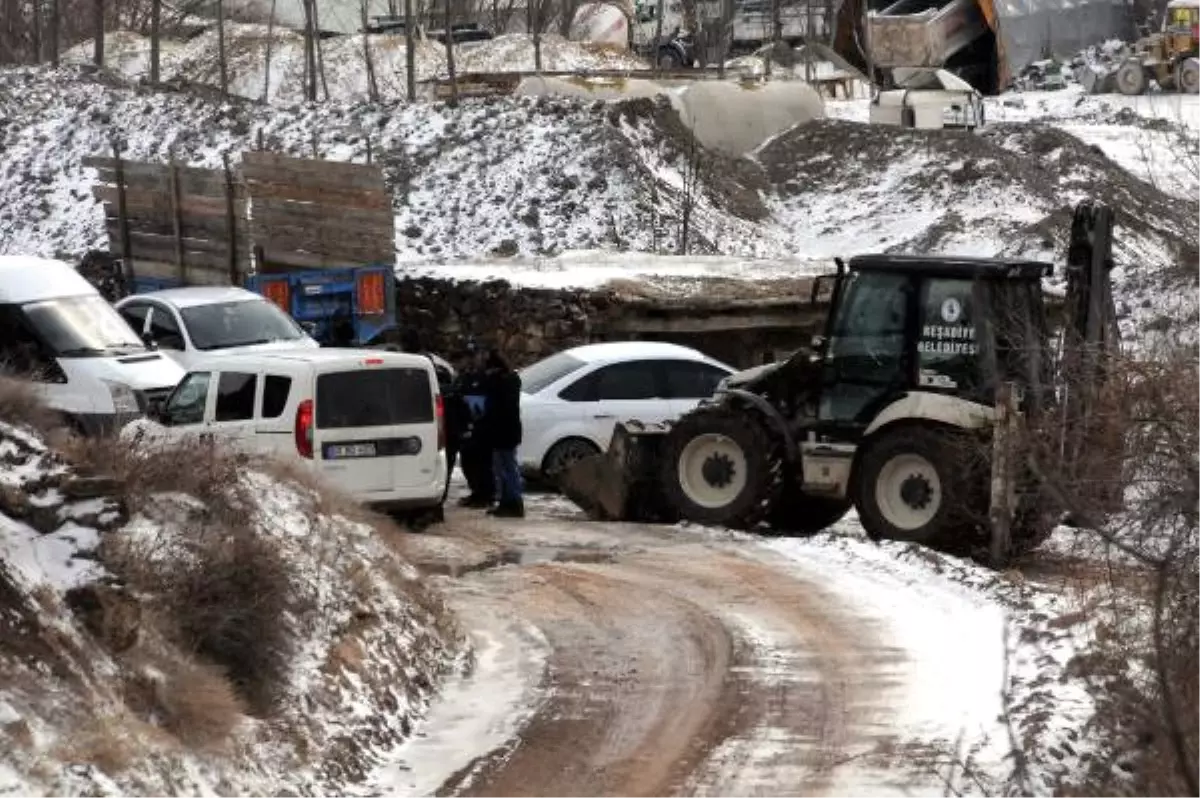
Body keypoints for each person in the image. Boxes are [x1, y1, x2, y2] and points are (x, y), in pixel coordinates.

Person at [481, 348, 524, 518]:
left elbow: (494, 407)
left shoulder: (499, 383)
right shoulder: (512, 380)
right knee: (507, 466)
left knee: (505, 468)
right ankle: (510, 501)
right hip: (510, 430)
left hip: (501, 431)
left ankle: (512, 502)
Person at [456, 342, 495, 508]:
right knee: (468, 461)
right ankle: (476, 492)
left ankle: (486, 496)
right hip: (468, 425)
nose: (471, 360)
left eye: (474, 356)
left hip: (484, 426)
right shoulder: (464, 377)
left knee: (484, 463)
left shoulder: (487, 377)